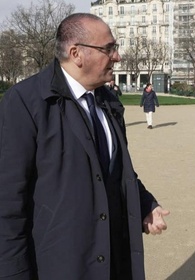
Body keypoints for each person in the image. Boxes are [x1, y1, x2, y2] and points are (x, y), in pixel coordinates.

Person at [0, 13, 169, 280]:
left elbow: (114, 172)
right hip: (60, 265)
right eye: (108, 48)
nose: (117, 57)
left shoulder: (109, 101)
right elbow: (8, 202)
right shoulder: (25, 103)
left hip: (112, 259)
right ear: (76, 53)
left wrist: (145, 202)